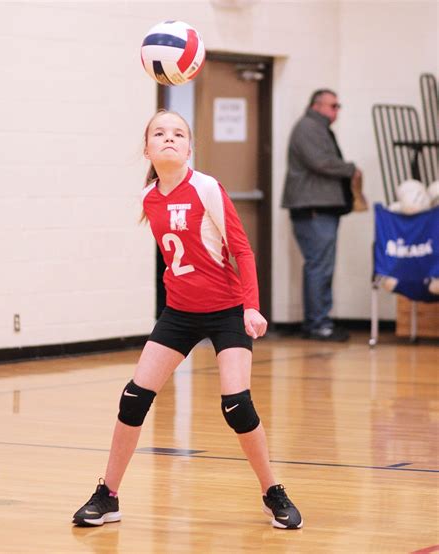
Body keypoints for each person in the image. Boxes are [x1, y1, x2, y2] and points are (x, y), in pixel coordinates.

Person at [72, 110, 302, 530]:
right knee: (133, 397)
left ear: (190, 146)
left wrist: (251, 305)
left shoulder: (207, 188)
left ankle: (272, 491)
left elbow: (242, 250)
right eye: (159, 133)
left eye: (179, 133)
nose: (169, 139)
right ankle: (108, 496)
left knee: (236, 404)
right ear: (147, 148)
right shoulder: (148, 198)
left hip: (227, 310)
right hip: (179, 313)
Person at [281, 89, 362, 342]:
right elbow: (319, 162)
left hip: (321, 208)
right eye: (333, 105)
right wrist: (350, 169)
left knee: (322, 267)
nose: (336, 111)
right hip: (313, 209)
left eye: (338, 106)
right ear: (317, 105)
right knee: (319, 267)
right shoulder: (308, 127)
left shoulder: (318, 128)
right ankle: (318, 324)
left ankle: (320, 321)